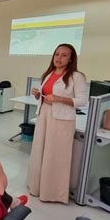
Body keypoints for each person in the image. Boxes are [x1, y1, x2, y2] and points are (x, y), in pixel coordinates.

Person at [26, 43, 87, 203]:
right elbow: (47, 95)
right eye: (57, 54)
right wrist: (38, 94)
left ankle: (52, 192)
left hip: (62, 120)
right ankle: (37, 186)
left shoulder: (76, 76)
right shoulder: (49, 73)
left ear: (71, 59)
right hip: (45, 114)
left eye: (64, 55)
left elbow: (82, 101)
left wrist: (59, 98)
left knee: (55, 155)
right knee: (40, 151)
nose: (59, 58)